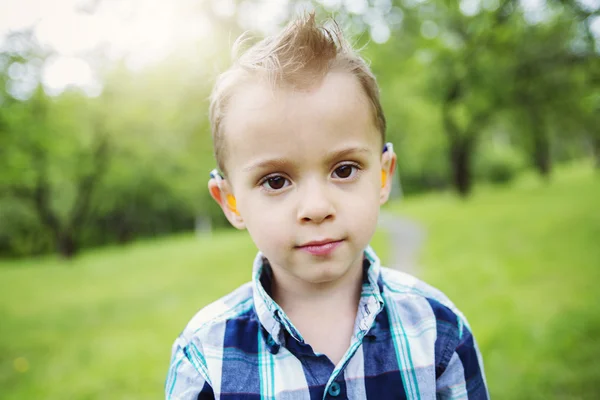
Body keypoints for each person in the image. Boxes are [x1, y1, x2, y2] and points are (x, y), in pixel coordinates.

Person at [165, 13, 488, 400]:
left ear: (383, 177)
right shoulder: (205, 357)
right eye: (276, 180)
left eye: (344, 169)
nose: (316, 208)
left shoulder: (439, 330)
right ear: (231, 201)